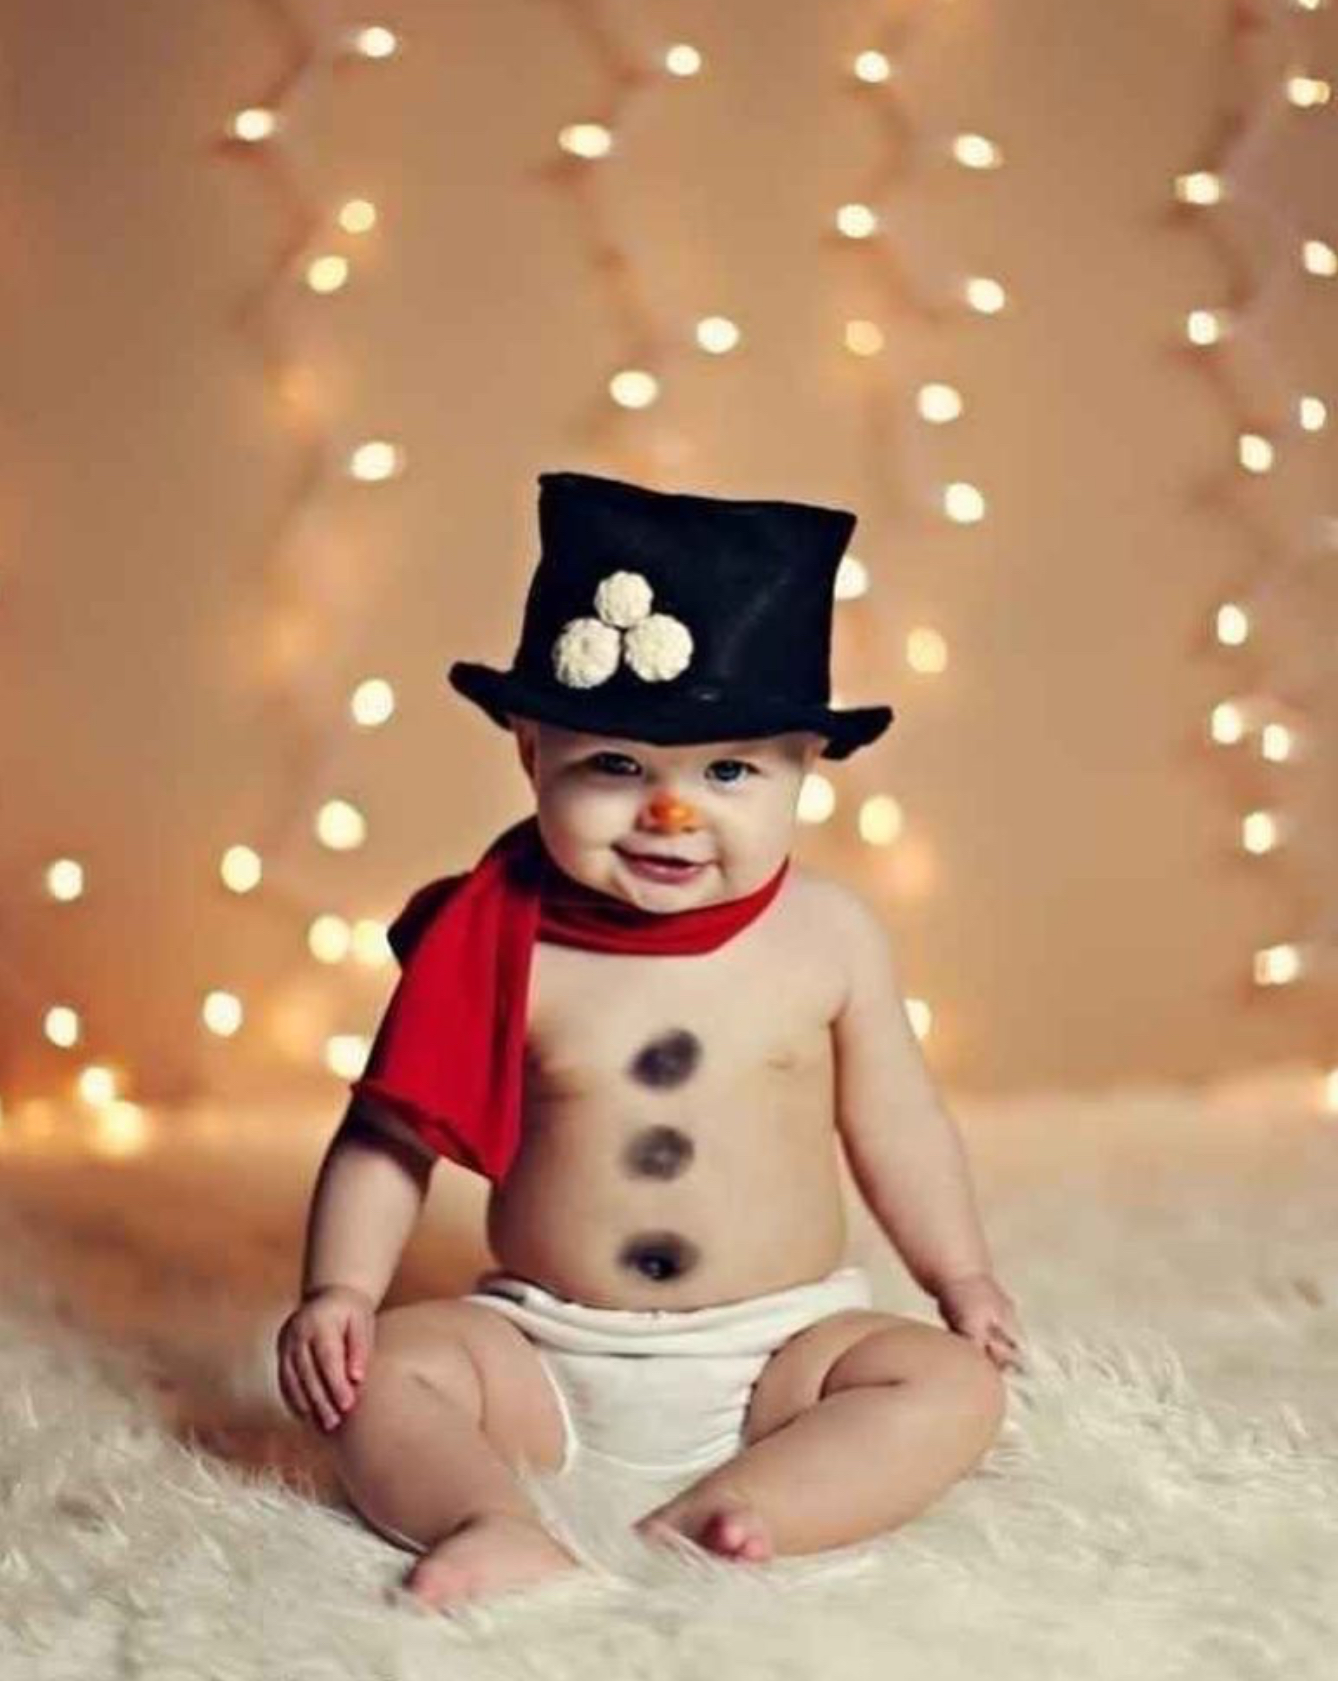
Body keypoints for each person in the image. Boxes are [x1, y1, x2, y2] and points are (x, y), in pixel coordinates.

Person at [275, 470, 1024, 1614]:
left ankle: (748, 1508)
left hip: (783, 1347)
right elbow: (387, 1134)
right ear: (532, 753)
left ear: (803, 769)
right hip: (543, 1346)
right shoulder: (497, 940)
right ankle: (492, 1517)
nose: (672, 813)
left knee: (951, 1389)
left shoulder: (828, 935)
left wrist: (957, 1274)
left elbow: (896, 1118)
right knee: (379, 1376)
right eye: (616, 766)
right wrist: (338, 1288)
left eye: (729, 770)